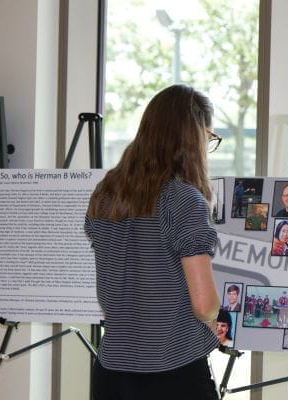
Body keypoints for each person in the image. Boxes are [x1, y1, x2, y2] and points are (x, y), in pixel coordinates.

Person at [85, 85, 220, 399]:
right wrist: (219, 317)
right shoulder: (183, 199)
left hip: (112, 372)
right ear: (194, 137)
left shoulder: (106, 195)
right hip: (174, 372)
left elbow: (111, 298)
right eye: (209, 137)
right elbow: (203, 305)